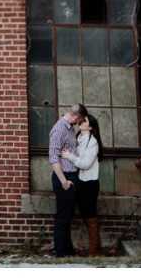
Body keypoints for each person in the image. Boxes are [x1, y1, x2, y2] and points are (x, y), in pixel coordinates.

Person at [48, 103, 87, 257]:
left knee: (68, 214)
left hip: (72, 176)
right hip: (63, 177)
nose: (80, 123)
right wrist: (64, 181)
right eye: (80, 120)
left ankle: (68, 250)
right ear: (76, 117)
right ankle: (60, 252)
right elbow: (53, 158)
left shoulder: (69, 128)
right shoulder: (58, 130)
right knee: (63, 216)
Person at [61, 113, 103, 256]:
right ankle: (96, 248)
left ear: (90, 126)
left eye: (84, 121)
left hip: (90, 184)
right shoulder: (79, 138)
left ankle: (93, 252)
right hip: (79, 181)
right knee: (85, 215)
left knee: (90, 215)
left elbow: (85, 164)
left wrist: (69, 156)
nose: (80, 122)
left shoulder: (93, 143)